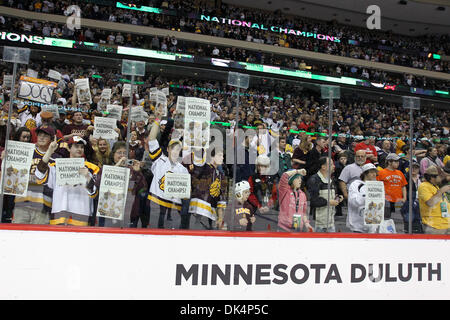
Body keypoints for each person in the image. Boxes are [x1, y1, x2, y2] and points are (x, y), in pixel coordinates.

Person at [35, 136, 99, 226]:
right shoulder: (57, 165)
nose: (80, 149)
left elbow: (94, 193)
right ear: (69, 148)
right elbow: (39, 175)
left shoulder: (92, 168)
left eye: (82, 147)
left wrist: (87, 176)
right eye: (76, 146)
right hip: (59, 213)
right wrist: (49, 151)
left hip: (81, 214)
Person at [146, 117, 189, 229]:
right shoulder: (160, 159)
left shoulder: (183, 170)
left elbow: (185, 193)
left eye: (177, 149)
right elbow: (151, 139)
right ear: (168, 149)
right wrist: (157, 119)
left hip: (174, 207)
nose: (175, 151)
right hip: (155, 203)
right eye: (172, 148)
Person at [12, 126, 59, 225]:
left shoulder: (57, 158)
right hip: (22, 203)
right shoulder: (26, 151)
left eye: (45, 136)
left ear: (52, 139)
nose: (41, 138)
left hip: (43, 206)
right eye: (39, 135)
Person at [187, 148, 227, 230]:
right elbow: (195, 170)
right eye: (220, 155)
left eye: (223, 156)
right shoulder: (204, 167)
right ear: (212, 157)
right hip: (197, 214)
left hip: (211, 216)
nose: (222, 158)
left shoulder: (221, 176)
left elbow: (221, 200)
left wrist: (220, 219)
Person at [307, 156, 343, 232]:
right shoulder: (314, 180)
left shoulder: (331, 180)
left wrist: (337, 198)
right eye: (331, 164)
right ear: (323, 167)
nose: (334, 166)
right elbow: (313, 201)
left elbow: (331, 196)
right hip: (318, 224)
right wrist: (329, 202)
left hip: (331, 222)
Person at [347, 163, 379, 233]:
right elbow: (353, 201)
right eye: (371, 172)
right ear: (365, 173)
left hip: (372, 225)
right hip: (358, 226)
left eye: (375, 172)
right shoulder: (356, 184)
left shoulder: (376, 186)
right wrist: (368, 197)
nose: (374, 174)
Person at [417, 166, 450, 234]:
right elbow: (430, 203)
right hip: (434, 226)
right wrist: (441, 192)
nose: (442, 178)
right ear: (432, 177)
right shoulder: (424, 186)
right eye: (440, 176)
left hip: (444, 224)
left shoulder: (435, 187)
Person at [377, 153, 407, 219]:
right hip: (386, 200)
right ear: (389, 162)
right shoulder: (381, 173)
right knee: (386, 219)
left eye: (398, 161)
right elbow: (378, 187)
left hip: (398, 200)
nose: (398, 163)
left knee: (398, 221)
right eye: (395, 161)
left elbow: (403, 186)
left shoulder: (400, 173)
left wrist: (404, 198)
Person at [401, 162, 423, 233]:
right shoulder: (405, 177)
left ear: (418, 169)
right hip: (409, 202)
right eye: (412, 167)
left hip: (420, 202)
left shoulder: (421, 179)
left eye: (416, 168)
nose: (413, 169)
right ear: (409, 168)